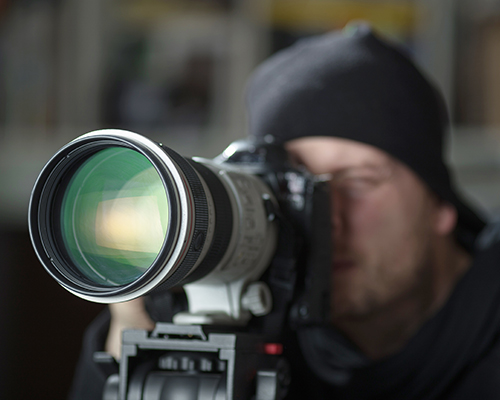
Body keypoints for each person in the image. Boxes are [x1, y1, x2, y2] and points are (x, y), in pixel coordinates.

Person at [69, 24, 500, 400]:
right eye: (294, 189)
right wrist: (133, 334)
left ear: (440, 204)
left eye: (357, 182)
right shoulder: (253, 327)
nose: (324, 217)